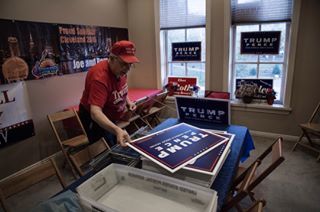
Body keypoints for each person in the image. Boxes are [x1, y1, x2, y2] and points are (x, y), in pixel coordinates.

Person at [78, 40, 139, 147]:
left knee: (114, 143)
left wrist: (128, 101)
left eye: (130, 64)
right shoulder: (99, 78)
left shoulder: (120, 70)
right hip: (95, 119)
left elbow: (120, 89)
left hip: (110, 115)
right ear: (112, 59)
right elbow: (95, 112)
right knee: (104, 150)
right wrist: (116, 129)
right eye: (124, 64)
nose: (128, 69)